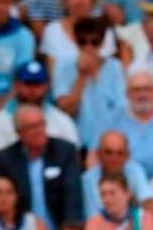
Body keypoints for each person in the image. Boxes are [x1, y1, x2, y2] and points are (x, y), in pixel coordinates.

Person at [0, 104, 82, 230]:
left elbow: (72, 197)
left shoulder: (64, 151)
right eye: (32, 127)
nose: (39, 130)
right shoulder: (6, 159)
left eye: (41, 124)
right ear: (19, 132)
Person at [51, 17, 126, 152]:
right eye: (82, 41)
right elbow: (66, 110)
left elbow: (120, 109)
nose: (88, 47)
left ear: (102, 43)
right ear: (74, 40)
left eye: (94, 42)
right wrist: (81, 77)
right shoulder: (62, 66)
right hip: (75, 142)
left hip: (106, 144)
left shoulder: (115, 68)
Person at [0, 60, 80, 155]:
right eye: (28, 83)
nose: (32, 89)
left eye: (37, 84)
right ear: (16, 85)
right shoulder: (1, 119)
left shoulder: (61, 120)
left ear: (47, 86)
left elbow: (72, 158)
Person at [82, 130, 153, 223]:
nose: (114, 158)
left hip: (133, 228)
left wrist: (146, 227)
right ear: (99, 154)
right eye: (109, 152)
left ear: (127, 155)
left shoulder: (135, 170)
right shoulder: (88, 179)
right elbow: (93, 217)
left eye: (120, 153)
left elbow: (148, 202)